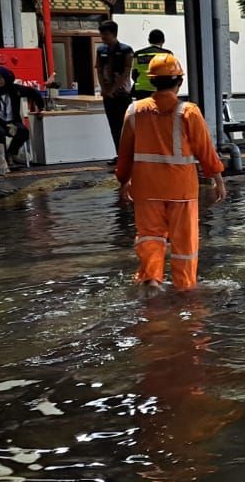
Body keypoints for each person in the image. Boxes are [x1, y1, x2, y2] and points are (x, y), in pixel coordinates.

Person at [116, 53, 226, 291]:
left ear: (152, 81)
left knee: (150, 236)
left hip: (145, 188)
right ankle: (184, 287)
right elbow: (205, 150)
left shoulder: (134, 111)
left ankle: (152, 279)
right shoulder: (188, 112)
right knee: (184, 241)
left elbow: (124, 153)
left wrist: (124, 181)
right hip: (181, 189)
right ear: (180, 81)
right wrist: (218, 179)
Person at [0, 66, 41, 167]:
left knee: (23, 131)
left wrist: (41, 108)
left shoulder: (14, 89)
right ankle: (2, 158)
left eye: (0, 78)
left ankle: (11, 153)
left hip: (13, 121)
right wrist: (5, 125)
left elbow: (34, 93)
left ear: (6, 78)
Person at [96, 19, 134, 153]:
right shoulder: (101, 50)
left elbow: (126, 71)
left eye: (105, 34)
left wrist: (113, 89)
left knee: (125, 126)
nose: (102, 37)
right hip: (108, 95)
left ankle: (128, 155)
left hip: (122, 94)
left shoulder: (125, 50)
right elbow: (99, 70)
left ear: (113, 33)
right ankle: (119, 154)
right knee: (113, 126)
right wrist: (104, 89)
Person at [132, 29, 172, 99]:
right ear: (163, 41)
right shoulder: (167, 54)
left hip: (142, 91)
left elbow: (134, 74)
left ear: (149, 40)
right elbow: (170, 75)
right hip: (160, 90)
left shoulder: (138, 54)